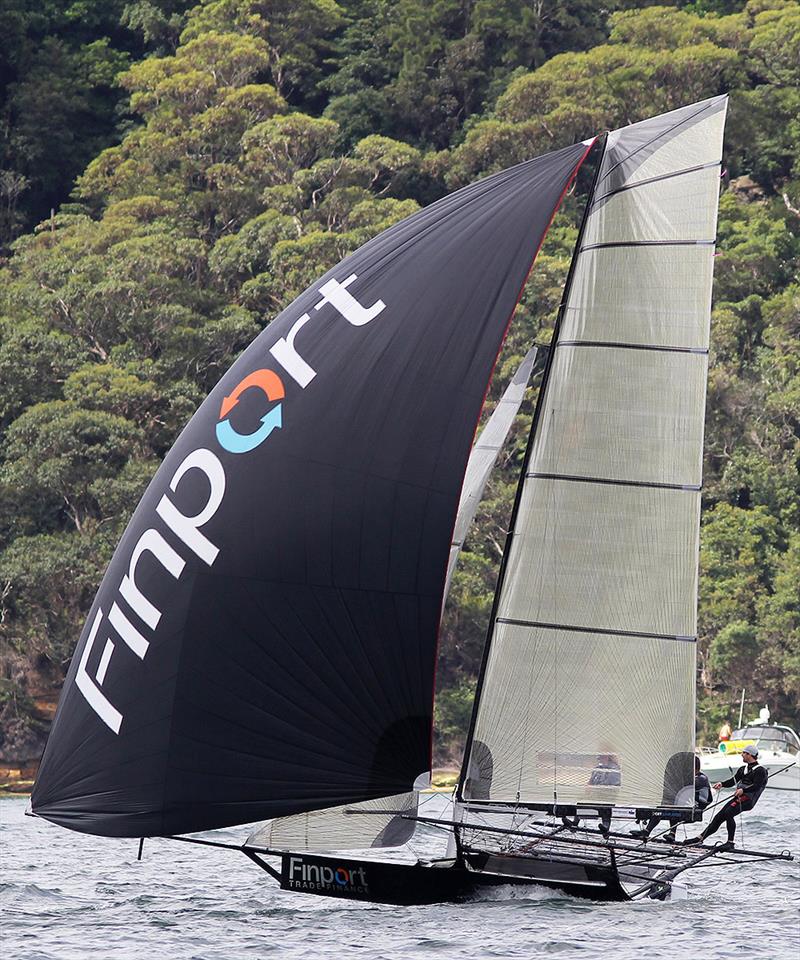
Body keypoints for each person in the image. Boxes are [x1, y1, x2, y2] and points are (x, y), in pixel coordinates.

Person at [684, 744, 767, 851]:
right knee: (719, 816)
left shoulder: (760, 770)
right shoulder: (743, 769)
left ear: (749, 755)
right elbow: (733, 781)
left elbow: (757, 786)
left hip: (748, 799)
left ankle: (730, 842)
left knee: (729, 813)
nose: (742, 755)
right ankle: (700, 838)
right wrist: (722, 784)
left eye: (744, 753)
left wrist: (743, 790)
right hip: (740, 797)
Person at [630, 756, 712, 842]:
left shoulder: (700, 778)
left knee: (671, 806)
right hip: (688, 808)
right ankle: (654, 832)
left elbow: (684, 784)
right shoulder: (696, 777)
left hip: (695, 811)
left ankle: (667, 833)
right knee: (665, 807)